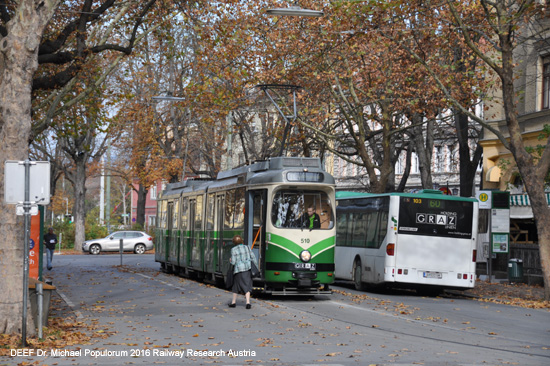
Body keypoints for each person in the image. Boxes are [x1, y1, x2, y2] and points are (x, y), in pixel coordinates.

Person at [228, 235, 258, 309]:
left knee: (236, 286)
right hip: (247, 269)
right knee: (247, 285)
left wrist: (231, 261)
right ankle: (248, 303)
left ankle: (233, 302)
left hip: (238, 270)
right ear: (242, 241)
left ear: (234, 242)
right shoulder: (247, 247)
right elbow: (253, 257)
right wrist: (256, 266)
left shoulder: (233, 249)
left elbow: (233, 262)